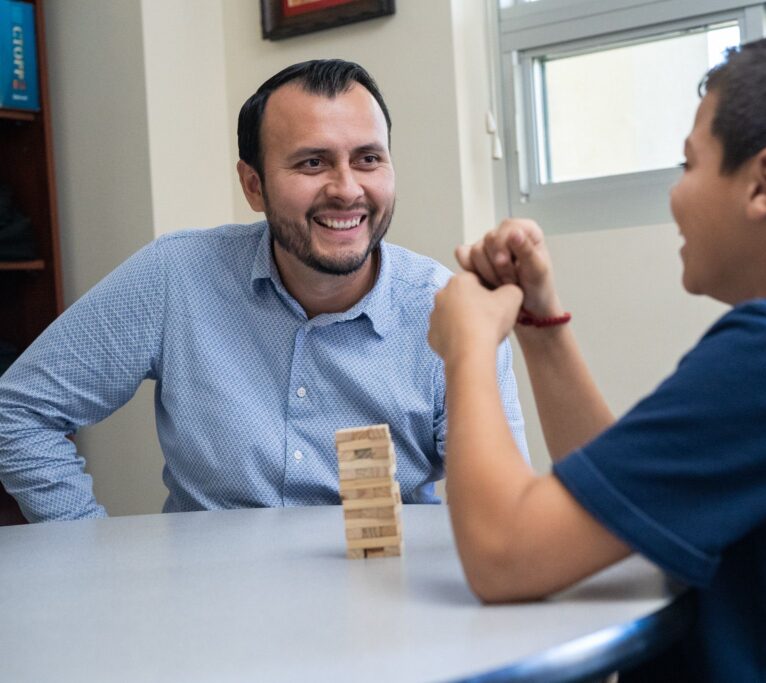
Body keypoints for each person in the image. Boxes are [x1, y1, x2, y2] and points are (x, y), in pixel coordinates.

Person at [427, 28, 766, 681]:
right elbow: (621, 501)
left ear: (764, 183)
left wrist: (469, 346)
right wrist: (538, 324)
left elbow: (503, 554)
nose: (675, 194)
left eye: (689, 165)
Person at [0, 59, 527, 523]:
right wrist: (85, 542)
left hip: (386, 603)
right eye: (312, 162)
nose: (347, 189)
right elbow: (17, 411)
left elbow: (503, 507)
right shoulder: (176, 275)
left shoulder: (450, 309)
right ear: (254, 186)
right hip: (211, 609)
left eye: (368, 159)